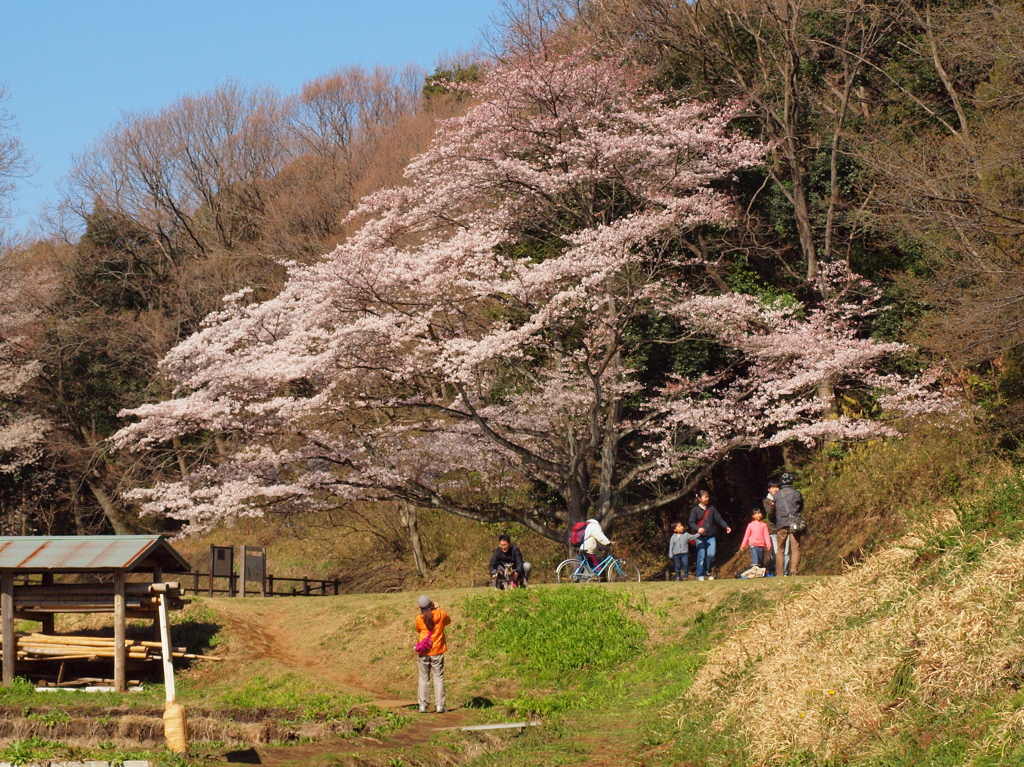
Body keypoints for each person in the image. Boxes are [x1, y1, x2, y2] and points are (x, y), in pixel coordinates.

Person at [414, 595, 451, 713]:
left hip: (424, 651)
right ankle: (440, 705)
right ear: (431, 604)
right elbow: (448, 621)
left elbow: (418, 629)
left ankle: (422, 705)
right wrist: (438, 608)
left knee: (424, 678)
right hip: (437, 650)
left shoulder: (419, 618)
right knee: (438, 677)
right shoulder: (440, 614)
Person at [689, 490, 731, 581]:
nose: (707, 499)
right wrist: (698, 528)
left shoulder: (711, 508)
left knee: (711, 554)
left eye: (707, 497)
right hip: (700, 537)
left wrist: (726, 526)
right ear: (699, 498)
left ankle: (707, 572)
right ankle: (700, 574)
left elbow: (719, 519)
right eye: (705, 497)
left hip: (711, 536)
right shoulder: (695, 510)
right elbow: (691, 522)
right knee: (701, 556)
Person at [773, 472, 804, 576]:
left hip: (781, 523)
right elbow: (801, 506)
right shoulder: (796, 493)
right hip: (794, 523)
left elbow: (774, 508)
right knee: (795, 548)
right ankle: (794, 571)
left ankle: (780, 573)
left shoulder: (777, 495)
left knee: (780, 549)